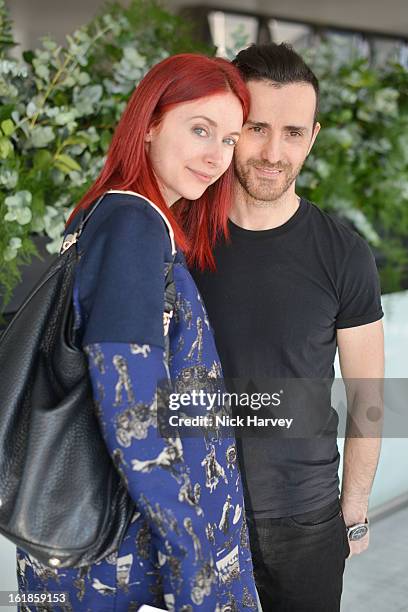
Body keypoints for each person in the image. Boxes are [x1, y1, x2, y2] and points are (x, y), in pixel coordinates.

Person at [15, 53, 259, 611]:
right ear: (149, 124)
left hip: (122, 540)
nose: (216, 156)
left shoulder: (111, 218)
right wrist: (193, 565)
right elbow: (134, 416)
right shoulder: (133, 225)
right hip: (138, 555)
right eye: (200, 129)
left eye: (228, 140)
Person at [190, 43, 384, 612]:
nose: (275, 152)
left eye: (294, 133)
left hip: (306, 522)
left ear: (313, 136)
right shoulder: (173, 238)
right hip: (194, 515)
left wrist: (354, 510)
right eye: (257, 127)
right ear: (230, 126)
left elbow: (368, 396)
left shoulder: (344, 255)